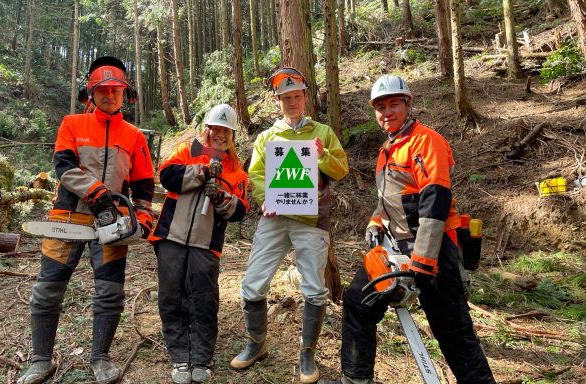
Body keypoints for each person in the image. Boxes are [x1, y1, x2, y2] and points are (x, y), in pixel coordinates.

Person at [319, 75, 495, 384]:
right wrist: (376, 222)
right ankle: (355, 379)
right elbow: (389, 200)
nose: (387, 112)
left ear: (408, 105)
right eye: (380, 106)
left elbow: (435, 201)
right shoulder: (388, 148)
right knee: (358, 303)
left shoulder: (426, 141)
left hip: (434, 249)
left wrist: (424, 262)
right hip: (395, 247)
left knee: (453, 332)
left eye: (393, 105)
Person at [18, 56, 155, 384]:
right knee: (48, 289)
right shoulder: (72, 124)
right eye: (103, 90)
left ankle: (100, 357)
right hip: (68, 216)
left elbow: (143, 182)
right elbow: (64, 166)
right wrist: (97, 193)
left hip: (111, 224)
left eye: (116, 90)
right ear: (90, 94)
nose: (110, 95)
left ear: (126, 95)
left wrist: (145, 214)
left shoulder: (135, 135)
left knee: (109, 291)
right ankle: (40, 359)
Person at [230, 67, 349, 384]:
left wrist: (323, 158)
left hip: (312, 220)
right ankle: (256, 344)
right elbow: (255, 175)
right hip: (275, 219)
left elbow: (341, 169)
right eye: (286, 98)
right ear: (278, 100)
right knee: (253, 284)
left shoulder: (322, 133)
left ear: (305, 97)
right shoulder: (267, 138)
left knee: (314, 288)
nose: (292, 102)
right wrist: (265, 197)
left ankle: (307, 354)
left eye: (296, 96)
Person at [147, 104, 249, 384]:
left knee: (204, 300)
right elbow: (166, 176)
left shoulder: (236, 170)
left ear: (232, 135)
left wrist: (220, 198)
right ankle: (180, 357)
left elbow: (240, 210)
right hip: (171, 236)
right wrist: (202, 173)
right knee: (172, 297)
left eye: (226, 130)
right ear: (207, 128)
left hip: (207, 243)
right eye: (216, 128)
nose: (220, 134)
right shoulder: (186, 150)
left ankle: (201, 357)